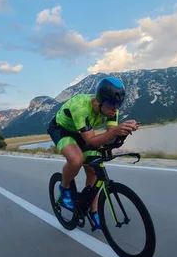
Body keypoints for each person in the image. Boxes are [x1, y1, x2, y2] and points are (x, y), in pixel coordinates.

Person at [46, 76, 139, 228]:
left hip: (83, 133)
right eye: (111, 103)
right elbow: (91, 141)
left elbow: (109, 136)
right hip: (61, 129)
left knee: (94, 169)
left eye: (118, 104)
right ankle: (64, 188)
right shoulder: (81, 107)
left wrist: (124, 131)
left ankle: (93, 210)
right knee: (76, 160)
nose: (115, 108)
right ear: (100, 100)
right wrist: (115, 130)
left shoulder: (111, 110)